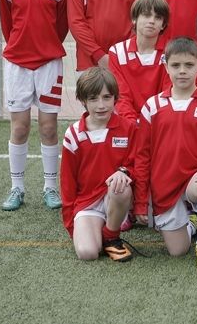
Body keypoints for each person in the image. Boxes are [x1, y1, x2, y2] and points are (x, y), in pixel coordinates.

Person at [132, 38, 197, 268]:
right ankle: (191, 222)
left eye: (189, 65)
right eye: (176, 65)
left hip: (194, 180)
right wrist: (140, 203)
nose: (182, 71)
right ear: (165, 66)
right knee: (177, 251)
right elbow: (142, 156)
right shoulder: (152, 106)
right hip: (164, 186)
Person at [0, 0, 68, 212]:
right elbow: (7, 26)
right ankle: (17, 187)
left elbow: (61, 27)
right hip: (17, 65)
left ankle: (50, 187)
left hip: (49, 64)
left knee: (49, 128)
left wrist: (46, 47)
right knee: (20, 126)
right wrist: (21, 47)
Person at [60, 67, 136, 261]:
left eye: (106, 97)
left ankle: (111, 236)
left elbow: (138, 163)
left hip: (116, 198)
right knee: (88, 253)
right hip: (88, 204)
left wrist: (124, 171)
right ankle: (97, 232)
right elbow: (67, 183)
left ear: (115, 98)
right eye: (93, 99)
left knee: (120, 186)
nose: (101, 105)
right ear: (83, 101)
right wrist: (72, 225)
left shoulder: (128, 128)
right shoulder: (74, 135)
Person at [108, 0, 170, 124]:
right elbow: (121, 95)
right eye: (146, 15)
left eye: (158, 17)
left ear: (163, 25)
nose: (152, 21)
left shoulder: (171, 52)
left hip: (161, 121)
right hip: (127, 121)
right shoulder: (117, 52)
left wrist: (152, 123)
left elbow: (168, 94)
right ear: (134, 19)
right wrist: (132, 123)